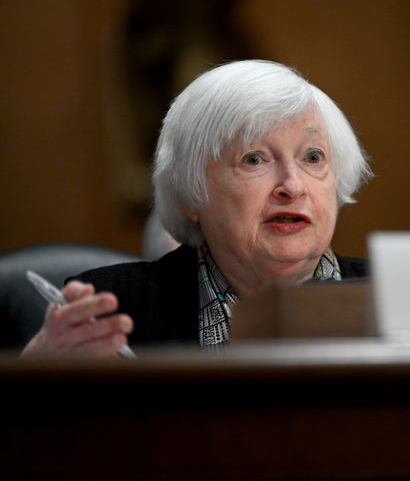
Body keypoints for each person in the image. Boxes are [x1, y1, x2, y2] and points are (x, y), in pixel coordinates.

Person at [21, 59, 373, 357]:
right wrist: (40, 369)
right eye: (254, 159)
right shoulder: (111, 311)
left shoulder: (398, 296)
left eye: (313, 157)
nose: (293, 186)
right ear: (191, 195)